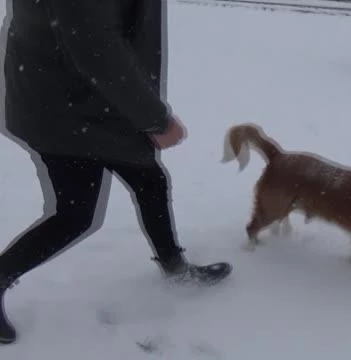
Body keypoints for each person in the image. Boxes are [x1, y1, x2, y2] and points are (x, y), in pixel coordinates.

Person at [0, 0, 232, 345]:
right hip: (72, 109)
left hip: (77, 100)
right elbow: (95, 47)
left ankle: (174, 267)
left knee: (149, 180)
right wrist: (156, 119)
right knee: (75, 215)